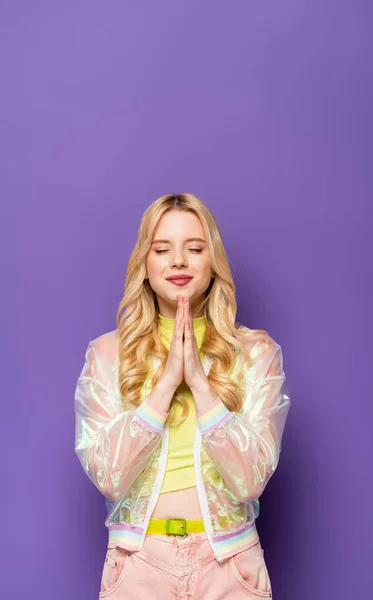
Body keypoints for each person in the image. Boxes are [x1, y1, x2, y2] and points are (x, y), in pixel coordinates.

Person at [74, 192, 291, 599]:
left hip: (231, 566)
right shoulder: (106, 354)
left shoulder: (257, 353)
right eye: (162, 249)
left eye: (194, 248)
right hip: (138, 566)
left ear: (213, 263)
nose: (178, 261)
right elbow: (109, 476)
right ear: (145, 263)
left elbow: (250, 482)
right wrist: (165, 386)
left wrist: (202, 387)